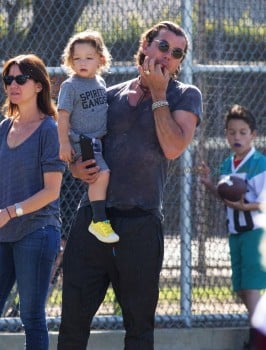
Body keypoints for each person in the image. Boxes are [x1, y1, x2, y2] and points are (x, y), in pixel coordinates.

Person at [57, 21, 202, 350]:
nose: (167, 57)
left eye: (176, 53)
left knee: (139, 330)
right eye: (162, 47)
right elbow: (83, 143)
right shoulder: (109, 94)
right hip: (93, 220)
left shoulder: (185, 96)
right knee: (72, 326)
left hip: (140, 224)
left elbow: (172, 147)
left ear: (180, 63)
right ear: (146, 46)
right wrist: (78, 168)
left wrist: (160, 95)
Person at [0, 54, 65, 350]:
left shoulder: (49, 130)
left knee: (31, 316)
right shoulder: (3, 128)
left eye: (21, 79)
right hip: (3, 232)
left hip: (37, 232)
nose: (13, 84)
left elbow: (51, 191)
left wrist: (11, 212)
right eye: (8, 79)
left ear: (39, 85)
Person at [199, 104, 266, 350]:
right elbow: (226, 197)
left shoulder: (259, 163)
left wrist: (245, 207)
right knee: (241, 290)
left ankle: (259, 342)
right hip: (236, 234)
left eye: (242, 132)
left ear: (253, 135)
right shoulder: (228, 164)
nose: (236, 137)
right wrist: (209, 184)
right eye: (231, 132)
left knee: (250, 290)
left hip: (256, 234)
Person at [57, 30, 119, 244]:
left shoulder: (100, 83)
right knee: (102, 174)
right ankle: (99, 220)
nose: (82, 62)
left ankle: (97, 217)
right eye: (77, 59)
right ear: (70, 61)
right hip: (81, 141)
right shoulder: (70, 86)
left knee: (100, 176)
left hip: (97, 141)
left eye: (89, 58)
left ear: (101, 60)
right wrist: (64, 142)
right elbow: (62, 115)